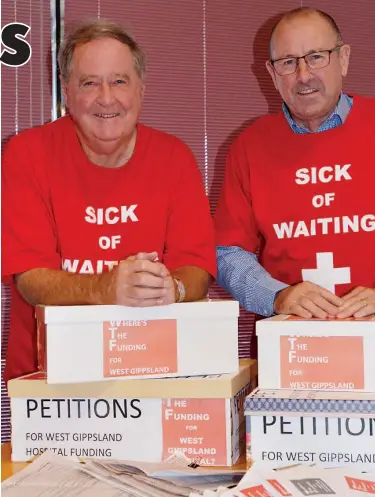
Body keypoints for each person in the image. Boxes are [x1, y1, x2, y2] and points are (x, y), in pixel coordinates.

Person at [2, 19, 216, 382]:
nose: (106, 97)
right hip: (49, 376)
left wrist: (172, 287)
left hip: (153, 370)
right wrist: (106, 288)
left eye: (119, 81)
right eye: (90, 83)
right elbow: (30, 280)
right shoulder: (25, 154)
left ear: (141, 90)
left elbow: (196, 271)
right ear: (67, 93)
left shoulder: (174, 157)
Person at [214, 7, 375, 375]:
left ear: (344, 59)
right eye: (288, 63)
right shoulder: (249, 147)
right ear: (272, 75)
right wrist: (277, 295)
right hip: (292, 360)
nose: (304, 76)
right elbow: (227, 253)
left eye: (316, 57)